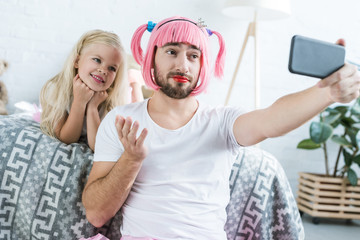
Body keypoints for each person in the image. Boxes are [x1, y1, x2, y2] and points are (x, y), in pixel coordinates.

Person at [81, 16, 360, 239]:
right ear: (152, 58)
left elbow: (272, 120)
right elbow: (96, 214)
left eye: (193, 55)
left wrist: (326, 94)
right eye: (171, 51)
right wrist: (131, 160)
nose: (182, 63)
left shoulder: (223, 121)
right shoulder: (120, 121)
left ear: (203, 66)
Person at [40, 30, 133, 151]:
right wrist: (80, 101)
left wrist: (93, 107)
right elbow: (67, 139)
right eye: (97, 60)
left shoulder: (111, 101)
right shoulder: (55, 88)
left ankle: (135, 80)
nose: (103, 70)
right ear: (77, 61)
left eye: (112, 68)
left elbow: (98, 146)